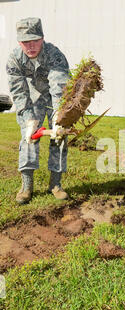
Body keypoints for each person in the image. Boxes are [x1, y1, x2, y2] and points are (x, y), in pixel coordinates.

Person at [6, 17, 70, 204]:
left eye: (35, 40)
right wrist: (28, 119)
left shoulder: (54, 54)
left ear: (43, 38)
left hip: (55, 99)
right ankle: (26, 186)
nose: (31, 46)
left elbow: (59, 86)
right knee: (28, 137)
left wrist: (59, 115)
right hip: (31, 100)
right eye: (26, 41)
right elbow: (18, 91)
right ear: (19, 42)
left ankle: (56, 184)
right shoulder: (14, 59)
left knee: (59, 137)